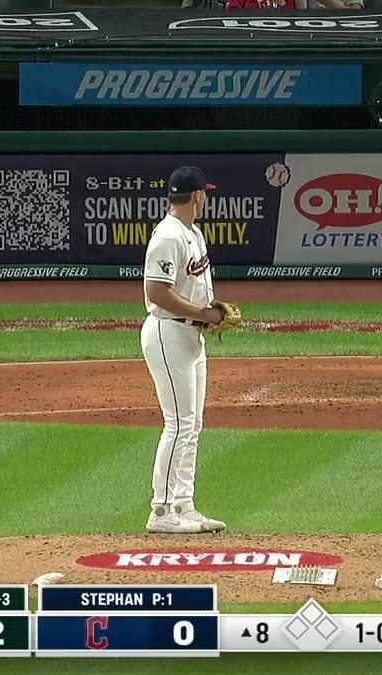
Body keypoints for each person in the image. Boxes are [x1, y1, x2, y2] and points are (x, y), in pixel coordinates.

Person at [140, 166, 230, 534]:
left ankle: (184, 505)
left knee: (192, 424)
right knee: (177, 424)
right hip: (168, 334)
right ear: (196, 197)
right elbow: (156, 292)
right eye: (204, 193)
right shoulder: (167, 236)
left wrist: (212, 313)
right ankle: (160, 511)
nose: (206, 198)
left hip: (192, 336)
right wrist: (202, 313)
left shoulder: (193, 234)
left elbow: (191, 288)